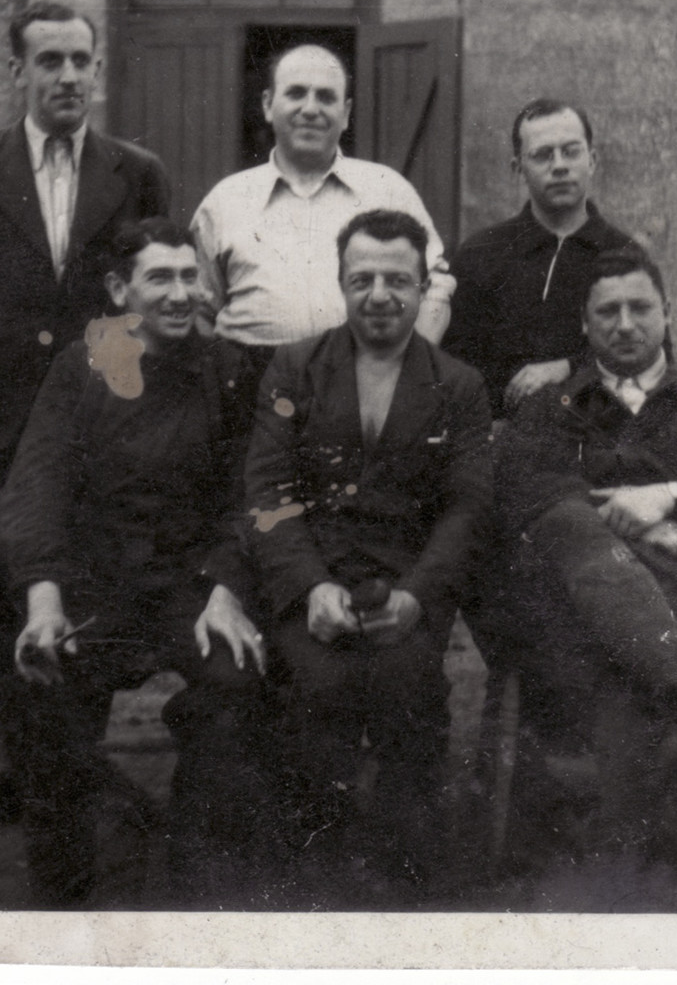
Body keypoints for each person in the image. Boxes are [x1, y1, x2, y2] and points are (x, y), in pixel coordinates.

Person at [0, 1, 171, 843]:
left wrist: (88, 381)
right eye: (49, 60)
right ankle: (9, 765)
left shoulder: (135, 169)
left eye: (80, 61)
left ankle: (69, 762)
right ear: (16, 72)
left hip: (96, 416)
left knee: (82, 581)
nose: (67, 76)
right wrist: (5, 363)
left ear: (98, 70)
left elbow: (142, 286)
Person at [0, 217, 269, 905]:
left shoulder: (228, 370)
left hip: (192, 586)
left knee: (238, 678)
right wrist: (45, 600)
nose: (181, 294)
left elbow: (254, 497)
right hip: (99, 586)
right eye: (160, 278)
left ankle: (194, 872)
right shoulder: (83, 363)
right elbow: (38, 482)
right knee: (41, 682)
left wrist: (228, 589)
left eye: (189, 276)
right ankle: (61, 893)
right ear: (120, 289)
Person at [493, 246, 677, 878]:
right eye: (608, 311)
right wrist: (646, 533)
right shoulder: (551, 407)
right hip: (578, 603)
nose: (625, 323)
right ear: (585, 325)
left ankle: (622, 837)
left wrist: (673, 497)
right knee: (566, 534)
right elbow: (529, 496)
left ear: (667, 313)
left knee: (617, 655)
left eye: (640, 308)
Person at [243, 209, 492, 898]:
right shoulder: (294, 369)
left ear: (421, 288)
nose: (379, 295)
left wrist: (417, 597)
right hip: (314, 576)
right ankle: (313, 864)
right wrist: (310, 587)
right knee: (314, 687)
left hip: (409, 586)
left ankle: (402, 865)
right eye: (363, 279)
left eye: (397, 280)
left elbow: (467, 507)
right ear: (341, 283)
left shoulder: (460, 385)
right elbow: (269, 490)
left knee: (408, 687)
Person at [191, 44, 455, 368]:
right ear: (268, 105)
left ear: (345, 114)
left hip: (361, 379)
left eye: (326, 97)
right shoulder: (224, 201)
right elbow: (199, 309)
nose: (310, 109)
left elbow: (435, 289)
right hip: (251, 382)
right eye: (296, 93)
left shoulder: (388, 190)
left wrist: (407, 372)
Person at [443, 99, 638, 417]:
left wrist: (569, 368)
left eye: (571, 151)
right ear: (518, 168)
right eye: (543, 154)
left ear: (592, 160)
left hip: (597, 441)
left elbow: (652, 355)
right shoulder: (480, 253)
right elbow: (453, 365)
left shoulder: (625, 254)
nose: (559, 165)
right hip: (501, 442)